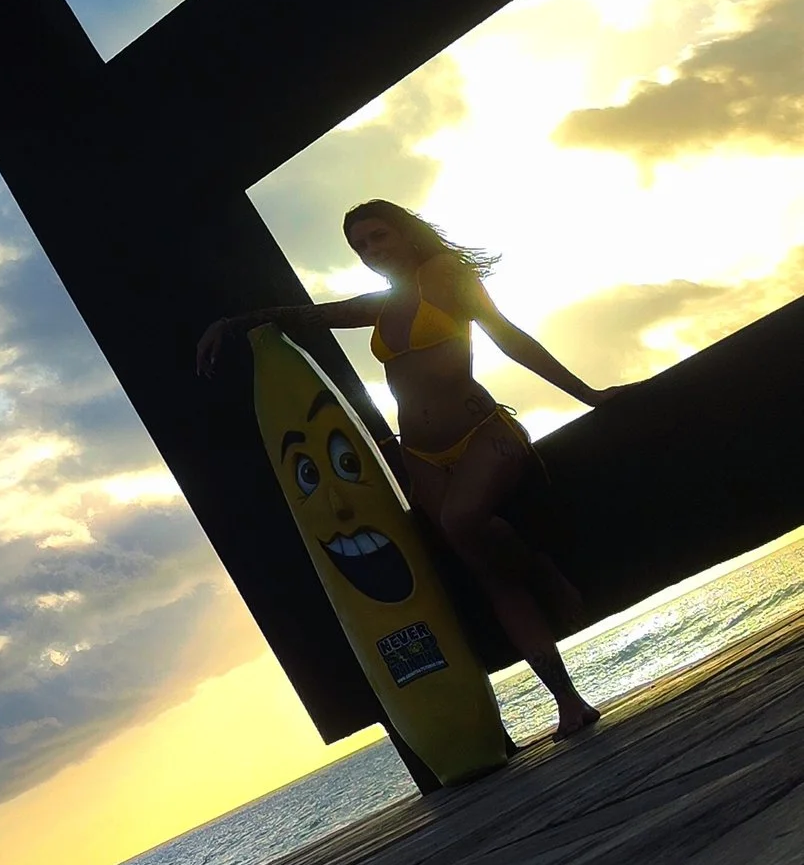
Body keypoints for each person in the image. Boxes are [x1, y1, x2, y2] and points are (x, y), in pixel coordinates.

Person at [195, 199, 618, 737]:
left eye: (379, 237)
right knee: (487, 575)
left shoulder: (443, 276)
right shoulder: (383, 305)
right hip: (420, 456)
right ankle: (568, 700)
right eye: (361, 247)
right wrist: (232, 325)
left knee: (462, 521)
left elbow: (508, 337)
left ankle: (539, 569)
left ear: (407, 233)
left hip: (481, 434)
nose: (372, 251)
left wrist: (587, 394)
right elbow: (310, 315)